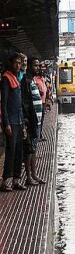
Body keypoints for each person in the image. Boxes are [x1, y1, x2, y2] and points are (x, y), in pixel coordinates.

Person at [1, 53, 28, 191]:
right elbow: (3, 103)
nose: (18, 65)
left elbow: (19, 105)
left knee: (19, 151)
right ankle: (5, 181)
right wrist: (6, 123)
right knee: (10, 151)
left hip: (18, 120)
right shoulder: (6, 79)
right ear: (10, 63)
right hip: (11, 121)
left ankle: (16, 180)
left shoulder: (16, 79)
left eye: (19, 63)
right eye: (16, 63)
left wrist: (23, 125)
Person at [20, 57, 45, 185]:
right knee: (29, 149)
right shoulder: (26, 81)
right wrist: (25, 122)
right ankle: (28, 177)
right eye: (36, 66)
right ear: (29, 66)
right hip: (30, 121)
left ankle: (34, 175)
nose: (38, 68)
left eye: (39, 66)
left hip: (37, 121)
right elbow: (24, 103)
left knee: (33, 148)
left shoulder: (32, 80)